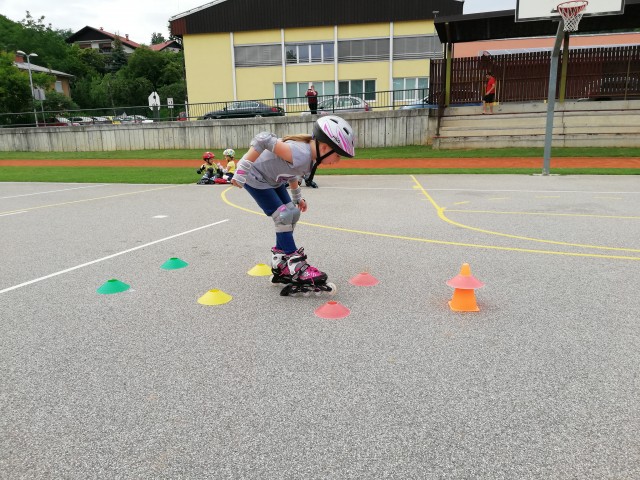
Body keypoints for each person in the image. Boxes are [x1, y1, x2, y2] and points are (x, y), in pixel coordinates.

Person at [231, 115, 355, 292]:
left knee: (292, 212)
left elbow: (291, 173)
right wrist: (243, 168)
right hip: (255, 176)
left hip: (272, 180)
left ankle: (281, 261)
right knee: (283, 216)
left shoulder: (309, 158)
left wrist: (297, 197)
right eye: (337, 155)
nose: (337, 160)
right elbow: (263, 139)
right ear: (325, 147)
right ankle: (295, 263)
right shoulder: (301, 153)